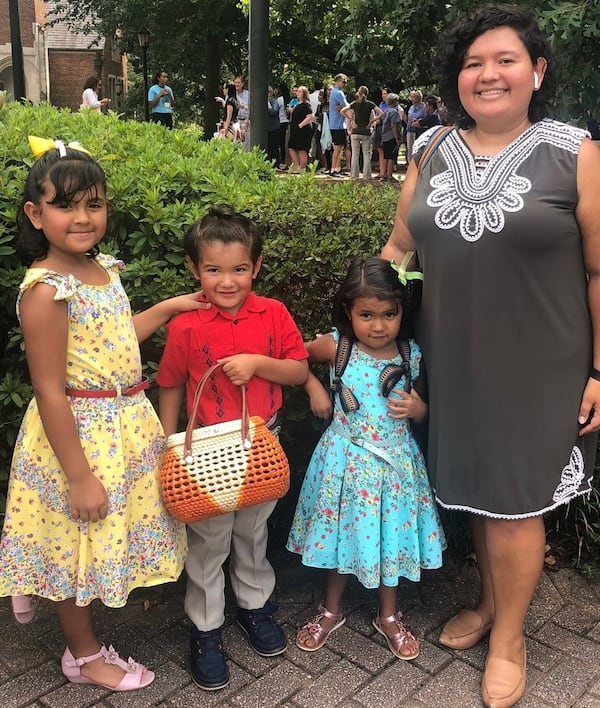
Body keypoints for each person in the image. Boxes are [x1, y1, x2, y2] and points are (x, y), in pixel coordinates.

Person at [381, 5, 600, 707]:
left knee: (512, 507)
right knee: (478, 491)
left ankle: (509, 637)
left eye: (505, 59)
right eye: (473, 63)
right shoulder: (431, 148)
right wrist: (361, 319)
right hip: (454, 360)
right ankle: (487, 603)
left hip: (541, 366)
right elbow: (396, 248)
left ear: (535, 71)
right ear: (458, 79)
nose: (488, 73)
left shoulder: (576, 152)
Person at [0, 136, 203, 691]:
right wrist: (79, 474)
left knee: (90, 540)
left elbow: (113, 339)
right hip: (79, 438)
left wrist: (166, 308)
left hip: (118, 426)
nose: (83, 217)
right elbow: (49, 390)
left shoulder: (99, 269)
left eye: (94, 203)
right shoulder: (47, 292)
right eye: (66, 205)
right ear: (35, 214)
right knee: (74, 544)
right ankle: (83, 656)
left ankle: (76, 634)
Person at [156, 205, 309, 691]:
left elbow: (299, 371)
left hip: (262, 444)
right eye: (214, 269)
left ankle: (255, 607)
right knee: (208, 541)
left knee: (253, 531)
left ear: (256, 267)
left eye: (239, 269)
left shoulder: (273, 313)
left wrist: (258, 362)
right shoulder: (185, 325)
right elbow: (172, 384)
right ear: (194, 269)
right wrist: (166, 444)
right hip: (206, 455)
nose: (227, 281)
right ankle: (206, 627)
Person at [287, 256, 445, 660]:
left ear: (402, 311)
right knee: (341, 538)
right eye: (367, 314)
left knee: (389, 537)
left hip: (394, 470)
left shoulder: (411, 356)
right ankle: (330, 610)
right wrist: (312, 387)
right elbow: (292, 357)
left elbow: (426, 411)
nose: (378, 325)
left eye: (389, 314)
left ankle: (388, 614)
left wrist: (418, 409)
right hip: (344, 465)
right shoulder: (337, 348)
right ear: (348, 312)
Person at [341, 86, 384, 180]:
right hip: (366, 132)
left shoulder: (355, 103)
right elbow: (381, 113)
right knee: (367, 154)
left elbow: (342, 111)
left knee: (355, 154)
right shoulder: (370, 104)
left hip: (355, 132)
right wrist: (372, 122)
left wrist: (351, 119)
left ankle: (354, 175)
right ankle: (367, 176)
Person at [287, 85, 313, 172]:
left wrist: (300, 125)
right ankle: (296, 166)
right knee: (291, 147)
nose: (297, 93)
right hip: (295, 129)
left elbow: (309, 117)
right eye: (297, 91)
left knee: (302, 150)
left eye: (300, 91)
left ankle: (302, 168)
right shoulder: (297, 104)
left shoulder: (306, 105)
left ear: (304, 94)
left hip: (303, 130)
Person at [328, 73, 350, 177]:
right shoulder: (338, 93)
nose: (345, 84)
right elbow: (348, 106)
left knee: (339, 147)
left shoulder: (334, 92)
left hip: (336, 124)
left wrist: (341, 107)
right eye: (343, 82)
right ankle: (333, 170)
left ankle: (337, 168)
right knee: (337, 148)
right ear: (337, 81)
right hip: (338, 124)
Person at [380, 93, 402, 181]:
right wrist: (397, 138)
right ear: (394, 101)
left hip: (385, 136)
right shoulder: (394, 112)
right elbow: (393, 125)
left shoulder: (386, 111)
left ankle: (384, 174)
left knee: (386, 156)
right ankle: (389, 175)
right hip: (391, 137)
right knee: (391, 157)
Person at [405, 90, 426, 163]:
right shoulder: (411, 107)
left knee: (417, 149)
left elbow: (424, 118)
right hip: (410, 130)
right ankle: (410, 164)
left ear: (418, 98)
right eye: (411, 97)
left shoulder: (424, 107)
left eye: (413, 97)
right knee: (409, 149)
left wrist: (417, 120)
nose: (411, 99)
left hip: (418, 131)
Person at [267, 85, 281, 165]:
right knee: (267, 147)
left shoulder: (274, 101)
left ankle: (276, 164)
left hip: (273, 128)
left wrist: (268, 107)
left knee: (274, 148)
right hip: (265, 129)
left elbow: (273, 112)